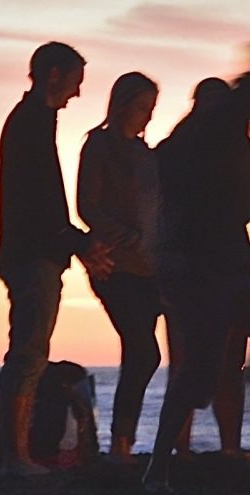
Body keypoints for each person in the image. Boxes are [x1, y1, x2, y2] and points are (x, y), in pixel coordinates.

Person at [143, 41, 250, 491]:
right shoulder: (223, 122)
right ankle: (159, 466)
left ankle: (163, 462)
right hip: (207, 261)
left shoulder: (225, 126)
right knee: (207, 366)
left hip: (218, 259)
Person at [0, 41, 114, 476]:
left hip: (34, 251)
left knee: (30, 351)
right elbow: (40, 203)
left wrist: (76, 245)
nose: (78, 94)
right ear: (54, 76)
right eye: (75, 83)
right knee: (28, 353)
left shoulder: (34, 121)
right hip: (32, 255)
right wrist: (78, 243)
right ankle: (17, 457)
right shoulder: (30, 123)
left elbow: (44, 205)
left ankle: (18, 454)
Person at [77, 72, 162, 465]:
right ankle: (120, 443)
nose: (146, 116)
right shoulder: (99, 146)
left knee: (142, 352)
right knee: (143, 350)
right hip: (114, 264)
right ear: (123, 104)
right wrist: (124, 236)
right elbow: (86, 205)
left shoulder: (148, 156)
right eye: (142, 107)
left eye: (151, 109)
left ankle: (125, 443)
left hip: (151, 268)